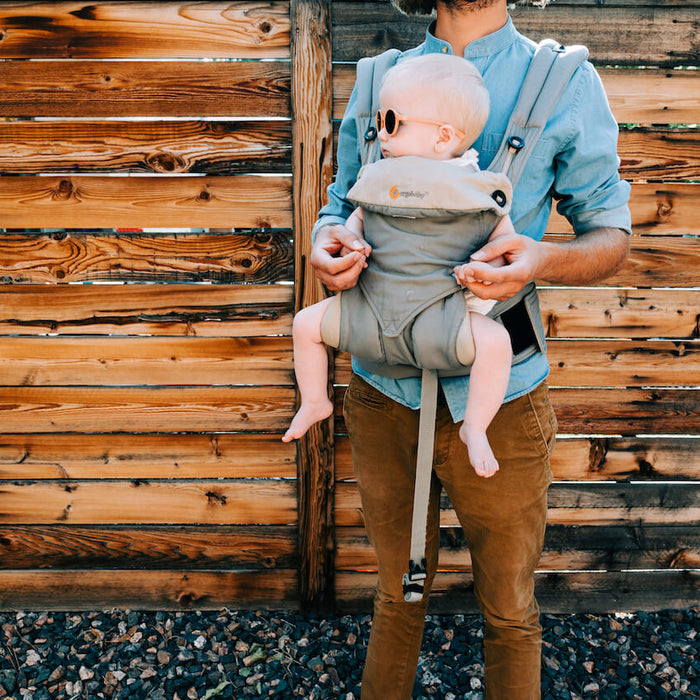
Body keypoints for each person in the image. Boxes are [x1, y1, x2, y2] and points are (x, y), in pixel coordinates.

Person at [310, 1, 632, 698]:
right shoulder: (376, 79)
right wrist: (325, 245)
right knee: (396, 595)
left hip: (505, 396)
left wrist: (538, 258)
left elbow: (612, 236)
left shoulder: (564, 80)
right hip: (382, 390)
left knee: (511, 610)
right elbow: (339, 204)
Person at [283, 53, 513, 479]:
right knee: (304, 324)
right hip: (369, 308)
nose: (380, 132)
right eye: (379, 120)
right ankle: (315, 399)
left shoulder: (479, 190)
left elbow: (505, 243)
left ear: (444, 137)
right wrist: (346, 242)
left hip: (444, 317)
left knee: (496, 344)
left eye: (391, 121)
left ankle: (475, 426)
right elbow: (356, 220)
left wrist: (492, 265)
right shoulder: (377, 177)